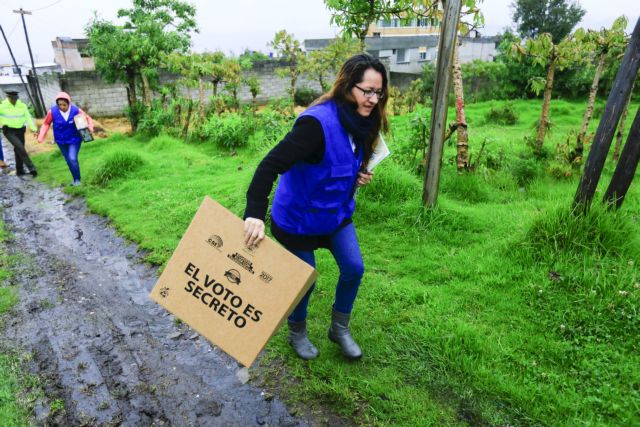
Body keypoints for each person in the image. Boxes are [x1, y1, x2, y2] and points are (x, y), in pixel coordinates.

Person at [243, 53, 388, 361]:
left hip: (334, 214)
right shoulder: (315, 125)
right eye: (368, 91)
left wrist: (357, 174)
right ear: (348, 86)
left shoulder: (362, 122)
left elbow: (337, 163)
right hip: (298, 219)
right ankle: (297, 332)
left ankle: (339, 329)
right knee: (305, 279)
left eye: (379, 92)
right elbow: (268, 166)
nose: (374, 99)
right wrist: (254, 214)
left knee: (354, 268)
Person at [37, 92, 93, 186]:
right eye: (60, 105)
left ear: (69, 103)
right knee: (68, 160)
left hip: (74, 139)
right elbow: (46, 123)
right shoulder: (52, 112)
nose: (62, 107)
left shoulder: (76, 111)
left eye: (64, 105)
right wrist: (41, 135)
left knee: (72, 158)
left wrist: (90, 128)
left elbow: (87, 119)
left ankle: (78, 181)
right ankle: (75, 179)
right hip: (61, 141)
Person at [0, 90, 38, 177]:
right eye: (12, 99)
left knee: (18, 149)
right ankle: (31, 168)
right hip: (9, 131)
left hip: (20, 130)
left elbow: (28, 117)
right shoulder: (2, 106)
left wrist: (34, 129)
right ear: (8, 97)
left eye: (15, 98)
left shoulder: (22, 106)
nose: (14, 100)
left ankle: (20, 171)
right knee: (21, 148)